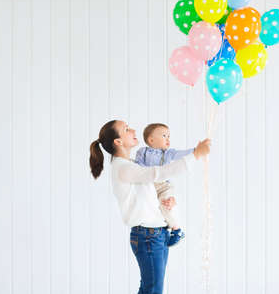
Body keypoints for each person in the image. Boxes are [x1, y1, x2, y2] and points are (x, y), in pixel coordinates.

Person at [89, 120, 210, 294]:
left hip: (156, 234)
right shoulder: (123, 168)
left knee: (150, 289)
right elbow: (157, 173)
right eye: (126, 129)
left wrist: (166, 201)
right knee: (153, 289)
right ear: (118, 141)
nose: (133, 130)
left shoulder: (131, 165)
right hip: (148, 236)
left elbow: (148, 192)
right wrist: (195, 155)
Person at [135, 123, 195, 247]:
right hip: (149, 184)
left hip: (163, 186)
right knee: (149, 206)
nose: (168, 139)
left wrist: (196, 150)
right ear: (151, 140)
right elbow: (138, 166)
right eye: (164, 136)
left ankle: (176, 229)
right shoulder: (142, 152)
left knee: (166, 204)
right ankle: (157, 228)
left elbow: (181, 154)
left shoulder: (167, 153)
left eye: (169, 136)